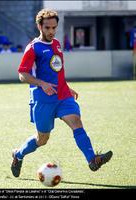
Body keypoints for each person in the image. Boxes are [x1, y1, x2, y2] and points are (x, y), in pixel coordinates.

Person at [11, 8, 113, 178]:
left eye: (54, 28)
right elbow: (22, 74)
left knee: (77, 122)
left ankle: (92, 159)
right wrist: (41, 84)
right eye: (47, 28)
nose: (51, 31)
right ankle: (18, 154)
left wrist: (66, 86)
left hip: (62, 95)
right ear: (39, 27)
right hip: (43, 99)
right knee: (42, 139)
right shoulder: (33, 48)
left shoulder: (57, 44)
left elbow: (57, 70)